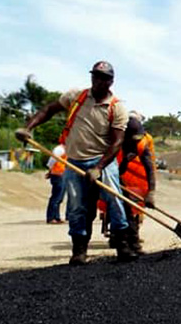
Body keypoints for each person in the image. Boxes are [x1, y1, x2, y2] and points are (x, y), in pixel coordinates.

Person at [15, 60, 135, 265]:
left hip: (102, 160)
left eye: (103, 78)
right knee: (77, 207)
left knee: (114, 201)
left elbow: (117, 143)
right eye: (95, 76)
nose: (98, 80)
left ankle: (123, 245)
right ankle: (79, 250)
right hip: (75, 162)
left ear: (111, 81)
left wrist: (98, 168)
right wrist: (29, 127)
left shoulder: (117, 108)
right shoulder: (76, 97)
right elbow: (48, 110)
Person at [117, 112, 156, 255]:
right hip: (104, 170)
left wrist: (151, 192)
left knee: (128, 210)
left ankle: (133, 245)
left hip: (123, 175)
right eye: (132, 139)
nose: (135, 142)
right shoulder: (112, 140)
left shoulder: (140, 144)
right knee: (118, 209)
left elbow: (149, 167)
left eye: (137, 139)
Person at [44, 143, 67, 224]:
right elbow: (51, 161)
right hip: (57, 175)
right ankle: (51, 217)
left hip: (63, 174)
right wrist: (51, 171)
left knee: (59, 198)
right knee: (56, 197)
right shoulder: (59, 149)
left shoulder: (68, 149)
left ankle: (56, 217)